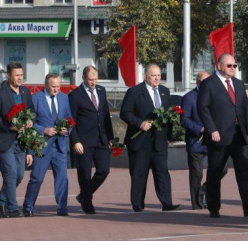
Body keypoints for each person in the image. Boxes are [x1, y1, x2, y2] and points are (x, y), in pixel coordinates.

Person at [197, 53, 248, 219]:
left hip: (239, 135)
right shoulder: (209, 84)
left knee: (244, 172)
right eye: (229, 65)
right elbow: (203, 107)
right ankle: (214, 207)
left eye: (234, 66)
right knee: (215, 172)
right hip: (219, 135)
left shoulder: (238, 84)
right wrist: (212, 129)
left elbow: (245, 110)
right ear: (219, 66)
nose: (233, 68)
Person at [120, 63, 181, 212]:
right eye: (154, 75)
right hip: (140, 140)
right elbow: (125, 113)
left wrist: (169, 136)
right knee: (139, 173)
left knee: (162, 173)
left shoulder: (165, 92)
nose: (157, 78)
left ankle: (167, 203)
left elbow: (169, 116)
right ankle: (138, 204)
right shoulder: (134, 92)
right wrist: (140, 123)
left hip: (159, 141)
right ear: (145, 76)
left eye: (159, 75)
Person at [0, 62, 35, 218]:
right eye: (17, 75)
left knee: (20, 174)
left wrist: (30, 121)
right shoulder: (0, 94)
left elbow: (31, 111)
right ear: (9, 76)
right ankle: (12, 208)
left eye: (21, 75)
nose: (20, 78)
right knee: (10, 173)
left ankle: (0, 201)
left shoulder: (25, 92)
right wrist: (9, 127)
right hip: (5, 140)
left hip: (21, 140)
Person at [22, 73, 72, 217]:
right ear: (46, 85)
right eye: (53, 86)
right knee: (37, 178)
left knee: (62, 178)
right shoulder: (36, 98)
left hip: (60, 145)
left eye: (58, 86)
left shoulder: (64, 98)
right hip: (42, 145)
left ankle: (62, 207)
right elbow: (30, 123)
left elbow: (70, 119)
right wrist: (43, 130)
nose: (56, 89)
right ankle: (28, 205)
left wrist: (67, 129)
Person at [69, 66, 115, 214]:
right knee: (84, 173)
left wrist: (110, 136)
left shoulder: (101, 91)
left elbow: (105, 114)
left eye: (95, 79)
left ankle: (83, 195)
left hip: (101, 138)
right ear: (83, 78)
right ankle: (87, 203)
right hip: (84, 141)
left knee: (104, 170)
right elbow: (71, 120)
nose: (93, 82)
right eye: (90, 79)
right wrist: (75, 141)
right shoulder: (75, 95)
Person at [181, 71, 210, 210]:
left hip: (213, 139)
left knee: (222, 169)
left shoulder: (214, 95)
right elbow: (184, 120)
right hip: (196, 140)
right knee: (197, 173)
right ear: (198, 83)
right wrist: (200, 129)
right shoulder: (189, 98)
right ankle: (197, 205)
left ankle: (204, 190)